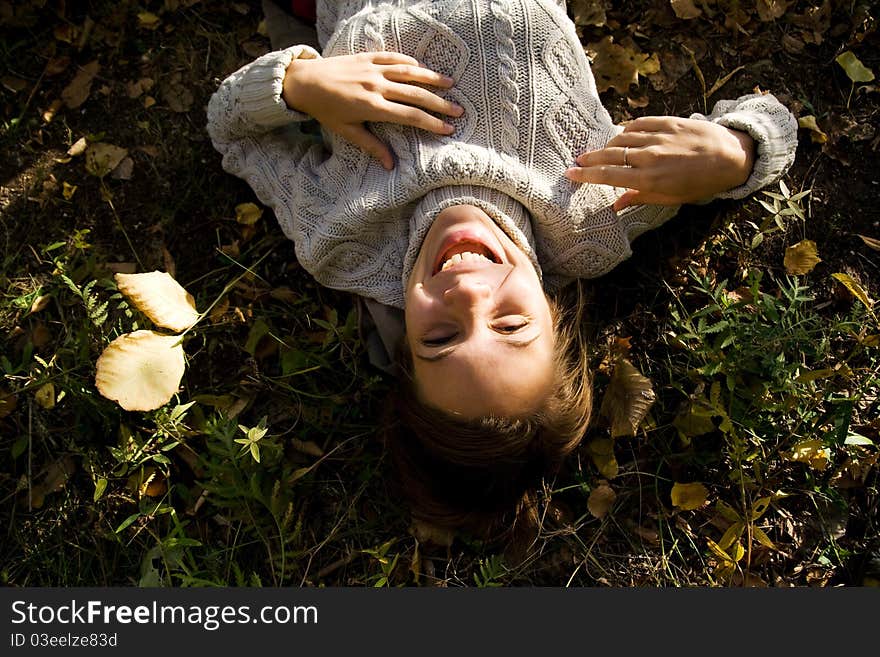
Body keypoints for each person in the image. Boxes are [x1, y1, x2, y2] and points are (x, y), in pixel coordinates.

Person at [206, 0, 798, 550]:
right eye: (511, 323)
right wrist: (732, 152)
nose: (467, 295)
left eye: (439, 339)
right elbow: (774, 123)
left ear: (403, 347)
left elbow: (228, 129)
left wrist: (299, 84)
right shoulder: (594, 216)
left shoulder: (339, 238)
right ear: (554, 313)